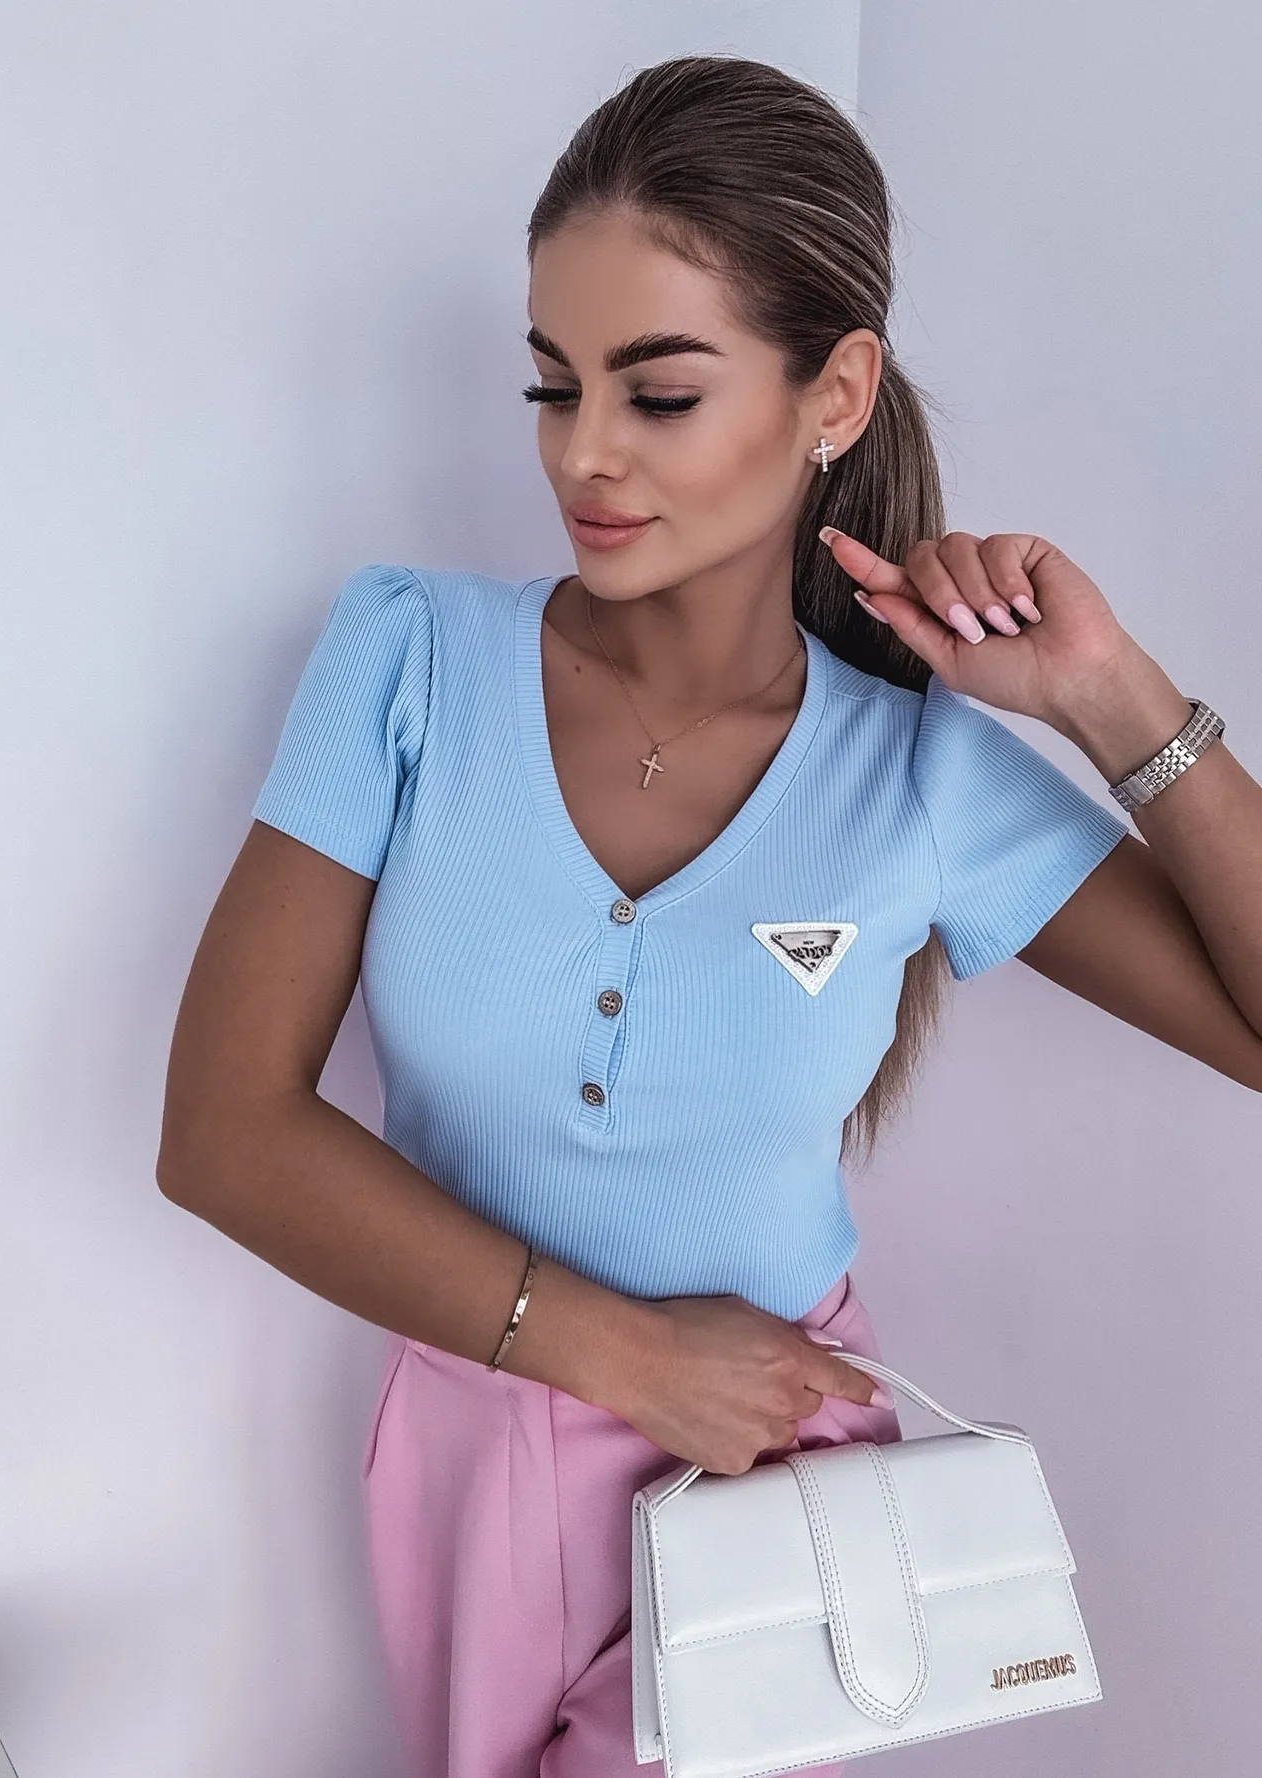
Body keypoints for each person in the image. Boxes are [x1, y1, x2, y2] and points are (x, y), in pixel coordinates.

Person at [155, 53, 1262, 1778]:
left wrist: (1113, 698)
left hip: (769, 1473)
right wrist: (623, 1353)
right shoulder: (409, 658)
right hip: (466, 1450)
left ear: (837, 392)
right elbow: (223, 1127)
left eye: (658, 393)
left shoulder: (920, 777)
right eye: (552, 384)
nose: (582, 453)